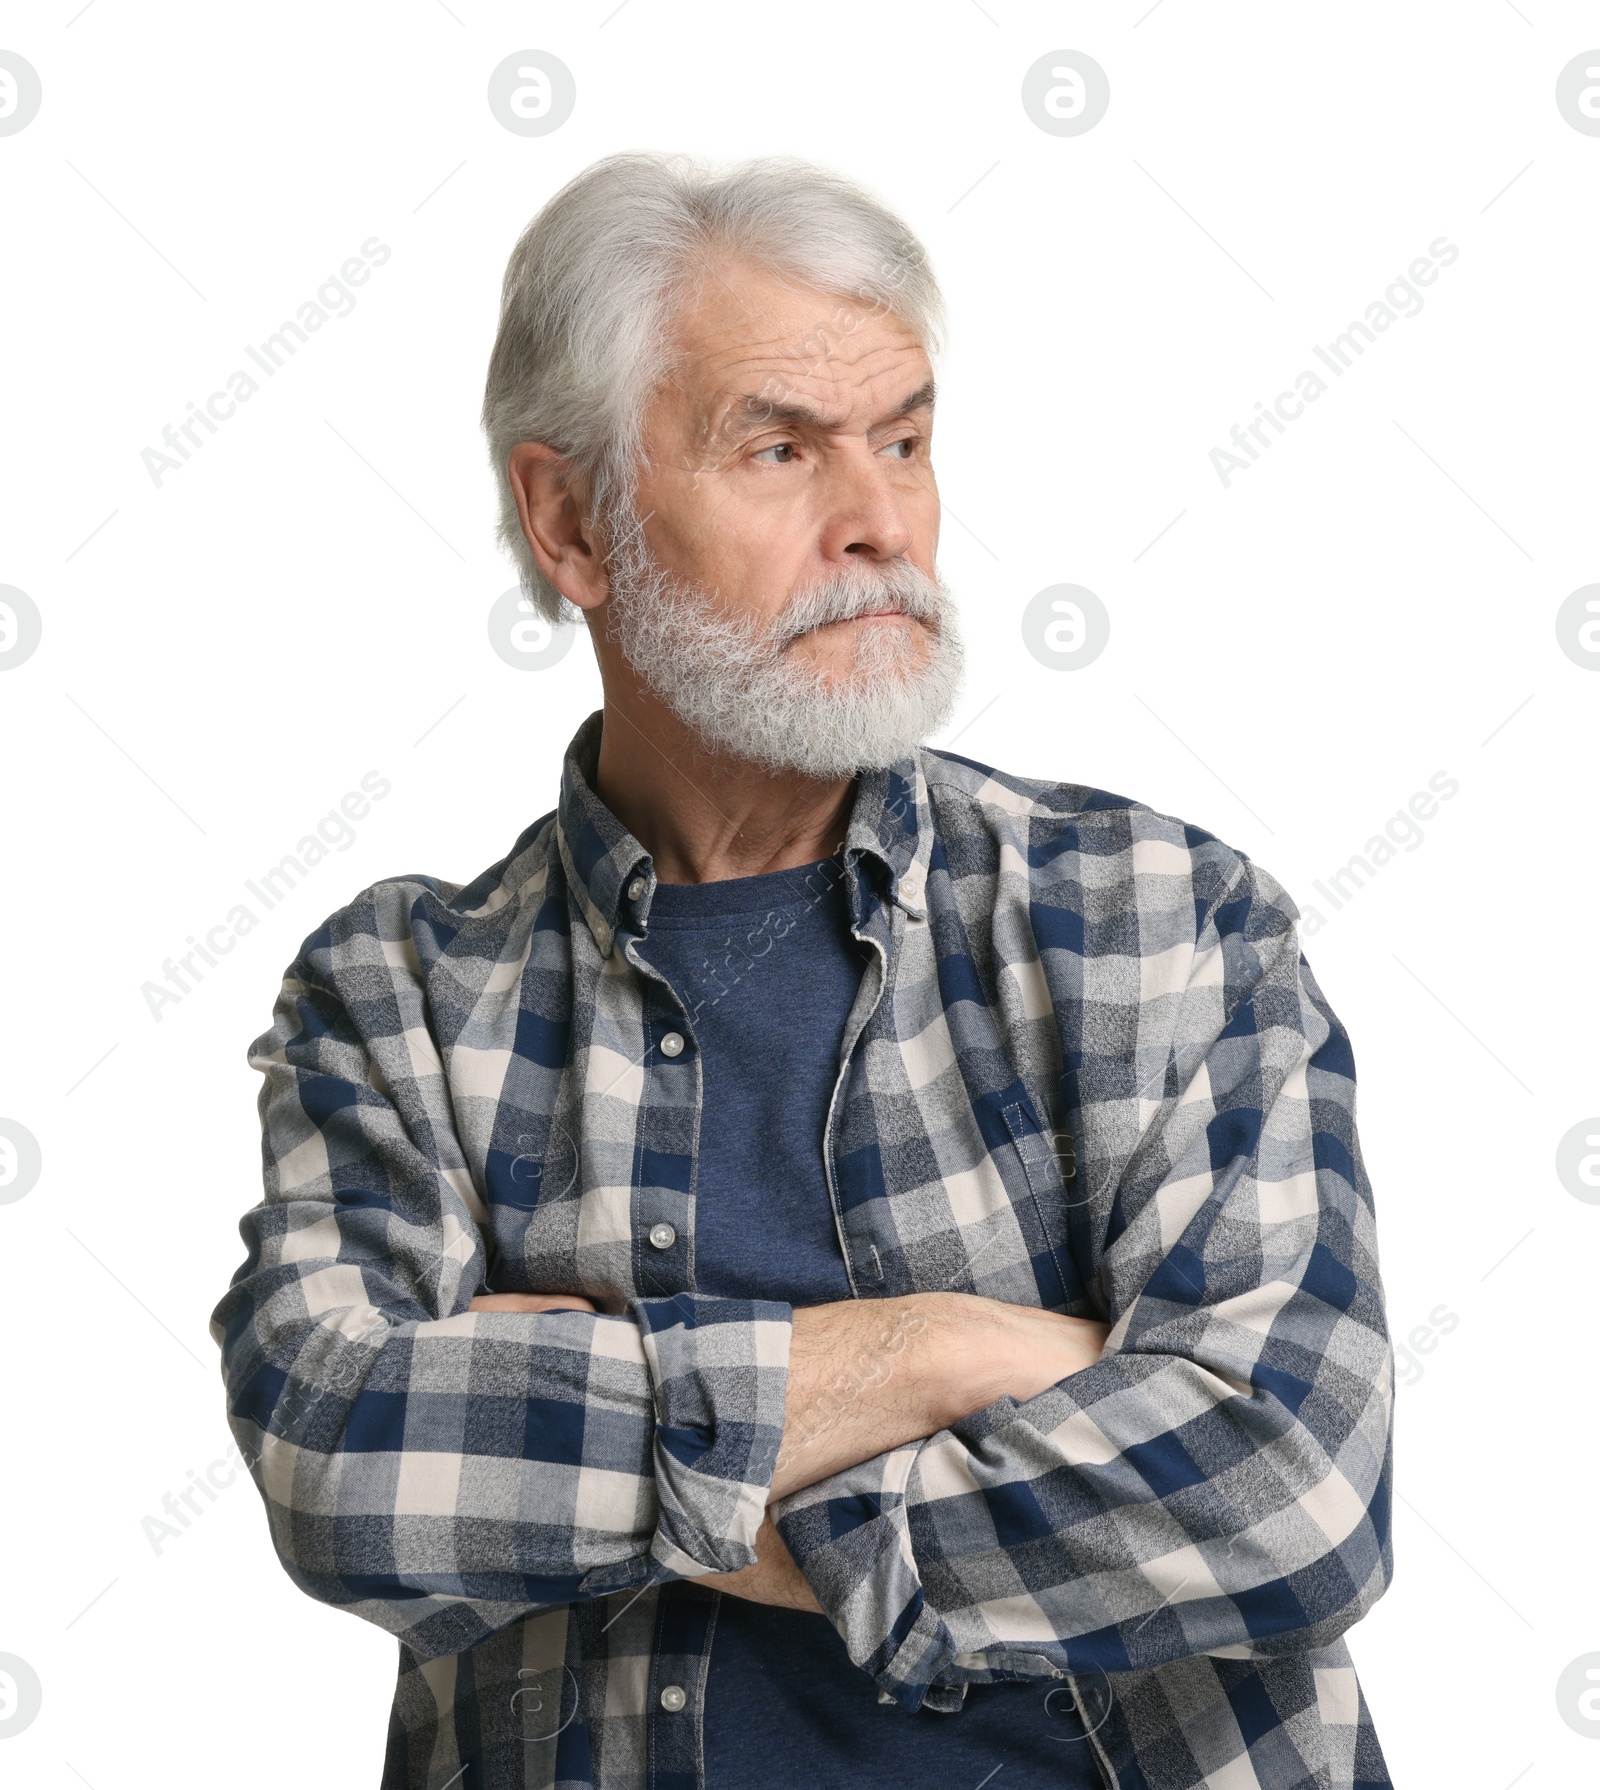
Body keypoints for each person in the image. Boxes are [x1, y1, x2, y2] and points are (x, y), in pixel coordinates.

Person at [211, 151, 1394, 1790]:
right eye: (779, 449)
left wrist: (598, 1449)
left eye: (904, 441)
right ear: (572, 521)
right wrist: (934, 1356)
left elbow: (1295, 1490)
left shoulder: (1155, 919)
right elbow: (343, 1461)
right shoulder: (399, 993)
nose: (881, 526)